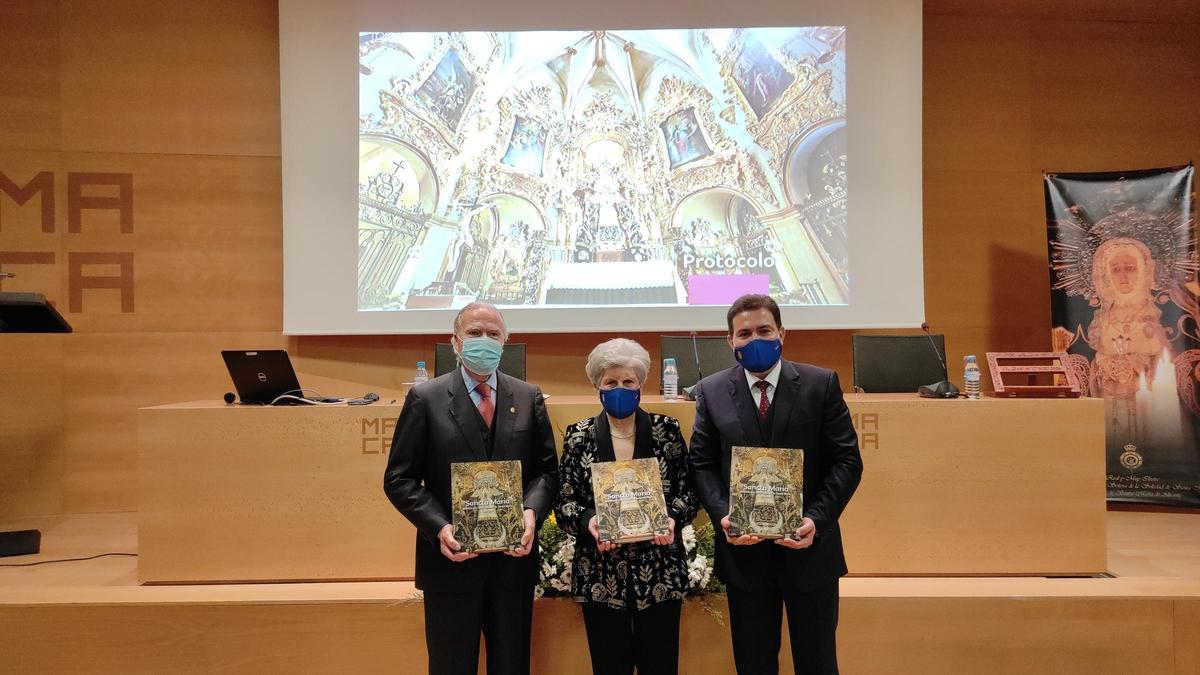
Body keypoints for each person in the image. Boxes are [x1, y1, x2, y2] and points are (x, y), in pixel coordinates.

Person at [688, 294, 863, 674]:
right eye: (744, 334)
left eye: (764, 331)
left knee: (817, 662)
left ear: (782, 333)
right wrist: (724, 516)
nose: (755, 340)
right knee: (753, 664)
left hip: (810, 551)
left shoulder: (821, 384)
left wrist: (816, 519)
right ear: (730, 342)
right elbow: (701, 465)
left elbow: (847, 461)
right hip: (745, 556)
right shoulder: (711, 391)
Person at [384, 301, 558, 675]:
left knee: (512, 666)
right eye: (474, 333)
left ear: (505, 341)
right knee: (450, 666)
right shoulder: (426, 398)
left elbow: (546, 472)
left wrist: (531, 513)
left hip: (512, 565)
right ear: (455, 342)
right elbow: (399, 479)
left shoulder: (528, 396)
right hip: (450, 563)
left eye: (493, 334)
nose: (484, 341)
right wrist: (439, 528)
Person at [554, 338, 700, 675]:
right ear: (597, 386)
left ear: (640, 384)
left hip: (660, 573)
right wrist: (589, 522)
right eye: (611, 382)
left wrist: (672, 517)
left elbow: (690, 491)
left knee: (661, 666)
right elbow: (564, 501)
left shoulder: (666, 431)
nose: (620, 388)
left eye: (628, 382)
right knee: (609, 666)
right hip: (601, 575)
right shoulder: (579, 436)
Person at [1087, 237, 1169, 397]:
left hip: (1148, 395)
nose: (1123, 276)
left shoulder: (1152, 315)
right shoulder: (1103, 318)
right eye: (1115, 269)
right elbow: (1099, 362)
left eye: (1130, 268)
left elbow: (1160, 360)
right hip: (1111, 396)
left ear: (1143, 270)